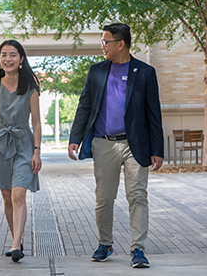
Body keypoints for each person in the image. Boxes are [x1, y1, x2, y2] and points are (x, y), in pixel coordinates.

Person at [67, 23, 163, 268]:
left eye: (106, 42)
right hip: (104, 144)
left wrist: (157, 149)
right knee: (104, 197)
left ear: (121, 44)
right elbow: (84, 106)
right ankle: (105, 243)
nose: (102, 46)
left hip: (135, 145)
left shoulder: (145, 72)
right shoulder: (96, 71)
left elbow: (154, 113)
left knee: (138, 196)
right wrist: (74, 138)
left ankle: (138, 249)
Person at [0, 40, 42, 263]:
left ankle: (16, 244)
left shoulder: (31, 87)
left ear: (21, 59)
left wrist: (37, 151)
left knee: (18, 194)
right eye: (4, 55)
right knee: (6, 197)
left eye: (13, 55)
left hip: (23, 143)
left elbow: (36, 122)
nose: (8, 59)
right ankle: (16, 238)